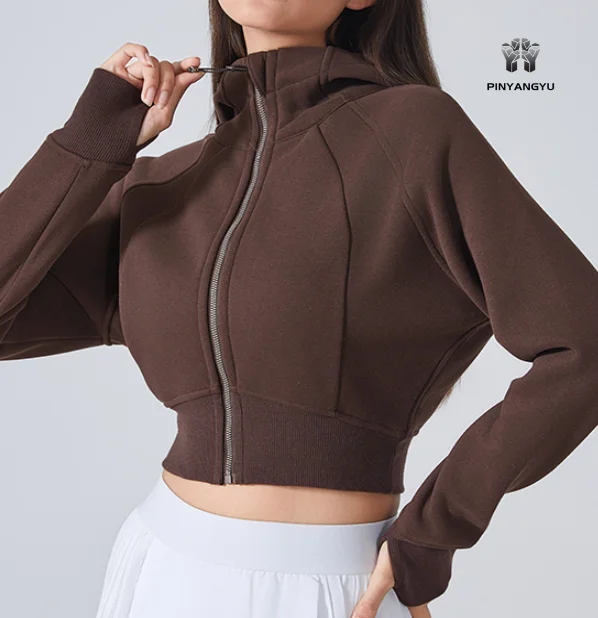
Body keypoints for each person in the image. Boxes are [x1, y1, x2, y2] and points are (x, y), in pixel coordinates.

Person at [2, 0, 597, 617]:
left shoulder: (414, 134)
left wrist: (433, 529)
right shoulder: (163, 185)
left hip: (332, 586)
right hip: (161, 571)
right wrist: (91, 140)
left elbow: (583, 343)